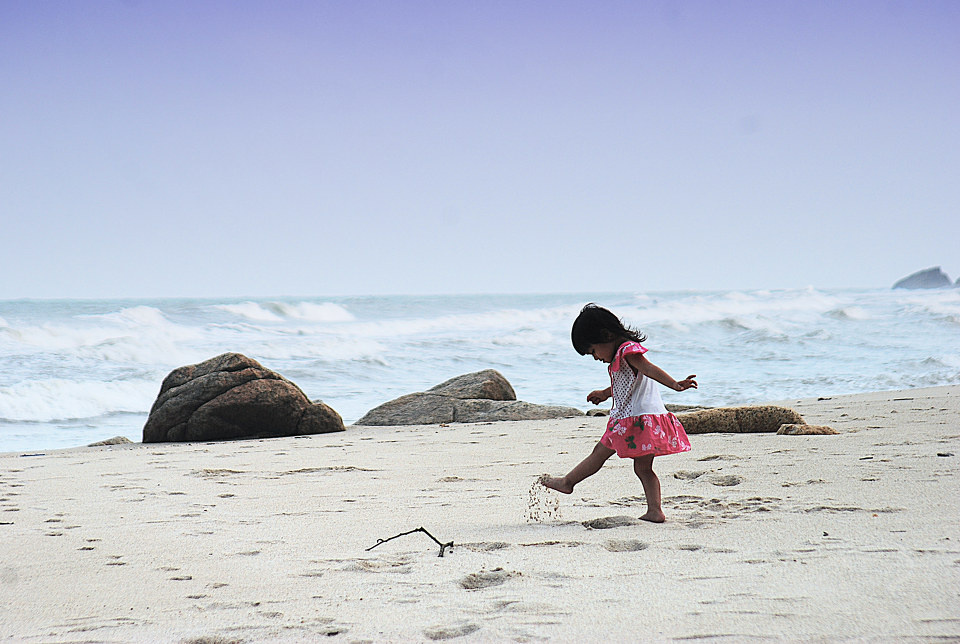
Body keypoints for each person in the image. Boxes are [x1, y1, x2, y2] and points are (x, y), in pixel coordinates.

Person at [541, 304, 697, 523]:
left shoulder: (627, 351)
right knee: (643, 468)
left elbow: (649, 369)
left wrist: (675, 384)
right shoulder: (621, 355)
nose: (595, 357)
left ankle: (568, 483)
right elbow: (627, 384)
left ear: (606, 335)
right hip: (641, 420)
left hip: (633, 420)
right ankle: (655, 510)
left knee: (600, 453)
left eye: (593, 350)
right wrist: (605, 393)